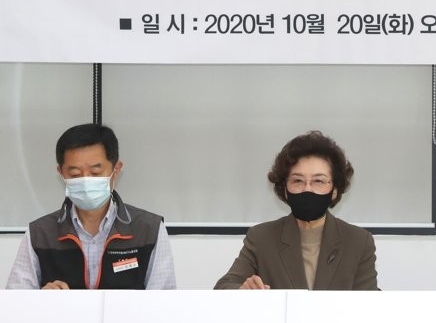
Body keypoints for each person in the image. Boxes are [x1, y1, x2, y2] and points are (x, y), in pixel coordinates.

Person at [6, 123, 176, 290]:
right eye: (75, 174)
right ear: (61, 173)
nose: (86, 181)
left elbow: (164, 302)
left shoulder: (149, 230)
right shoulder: (40, 233)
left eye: (95, 173)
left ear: (116, 169)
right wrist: (41, 299)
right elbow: (15, 301)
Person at [215, 131, 378, 290]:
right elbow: (224, 287)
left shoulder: (359, 242)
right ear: (285, 189)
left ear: (334, 190)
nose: (307, 189)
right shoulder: (261, 238)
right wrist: (243, 290)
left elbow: (372, 302)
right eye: (298, 181)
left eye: (318, 181)